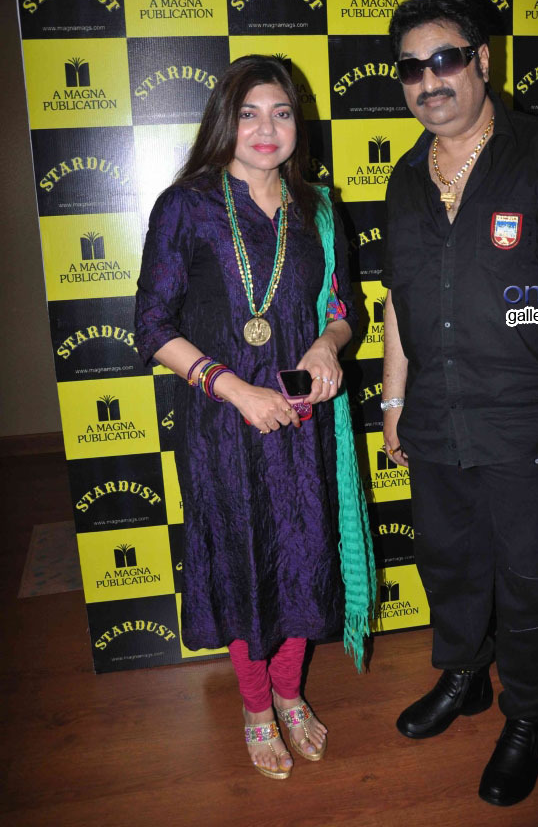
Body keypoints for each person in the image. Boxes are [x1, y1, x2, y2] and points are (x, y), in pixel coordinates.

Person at [381, 0, 538, 807]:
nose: (429, 81)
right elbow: (399, 300)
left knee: (531, 580)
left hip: (531, 423)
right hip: (435, 418)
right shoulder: (404, 177)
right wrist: (393, 404)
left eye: (445, 59)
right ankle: (463, 676)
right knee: (449, 564)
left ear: (482, 62)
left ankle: (528, 715)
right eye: (411, 68)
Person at [135, 55, 374, 781]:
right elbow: (151, 325)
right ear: (224, 122)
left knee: (303, 557)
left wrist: (329, 345)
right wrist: (236, 390)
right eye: (249, 113)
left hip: (302, 425)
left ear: (299, 125)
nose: (266, 128)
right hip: (223, 427)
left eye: (281, 113)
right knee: (241, 563)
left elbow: (343, 308)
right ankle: (256, 707)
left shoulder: (318, 209)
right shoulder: (186, 206)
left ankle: (291, 695)